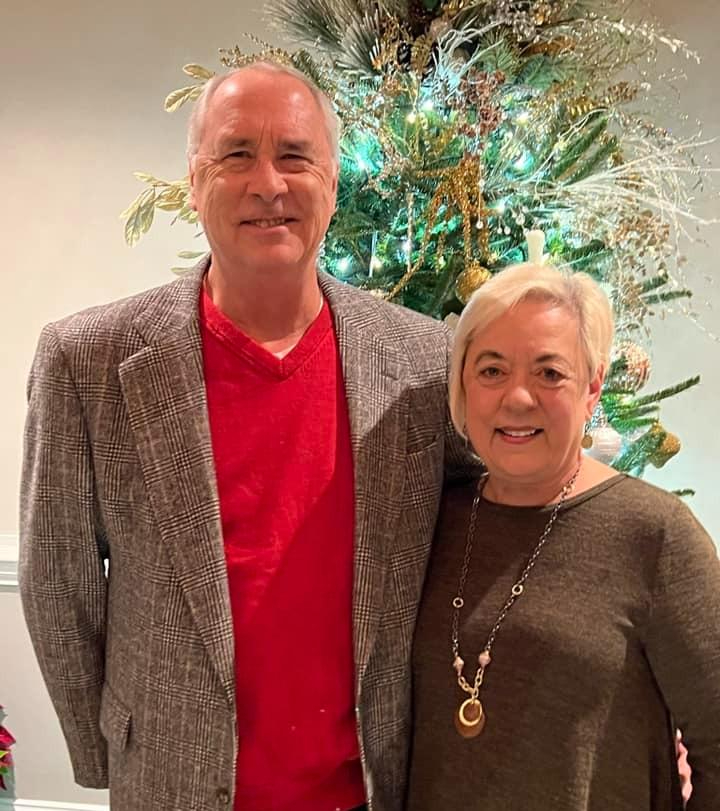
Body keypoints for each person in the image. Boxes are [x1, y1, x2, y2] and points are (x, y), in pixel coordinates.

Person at [19, 62, 473, 811]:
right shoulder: (89, 361)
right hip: (174, 784)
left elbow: (492, 525)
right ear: (194, 183)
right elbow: (57, 580)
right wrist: (108, 747)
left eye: (295, 155)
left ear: (332, 181)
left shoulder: (423, 359)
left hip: (366, 790)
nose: (270, 182)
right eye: (236, 155)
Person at [407, 256, 720, 810]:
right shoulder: (433, 515)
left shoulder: (656, 536)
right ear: (462, 383)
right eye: (491, 370)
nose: (518, 398)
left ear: (593, 387)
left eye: (549, 373)